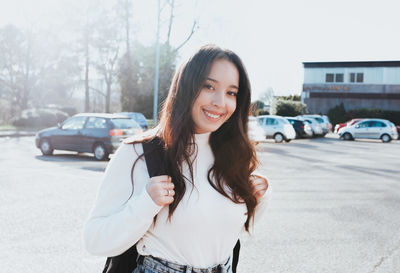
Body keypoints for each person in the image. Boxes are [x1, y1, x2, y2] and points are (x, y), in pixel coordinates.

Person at [83, 44, 270, 273]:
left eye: (231, 92)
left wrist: (258, 199)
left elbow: (223, 232)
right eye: (208, 86)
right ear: (185, 88)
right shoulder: (140, 153)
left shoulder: (233, 156)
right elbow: (95, 240)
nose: (220, 102)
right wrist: (145, 204)